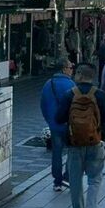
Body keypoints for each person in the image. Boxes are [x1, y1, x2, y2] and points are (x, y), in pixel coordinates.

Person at [54, 63, 105, 208]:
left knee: (75, 179)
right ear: (93, 77)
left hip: (74, 144)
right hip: (95, 142)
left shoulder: (69, 95)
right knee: (95, 179)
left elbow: (58, 118)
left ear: (79, 75)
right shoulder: (100, 95)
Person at [40, 57, 75, 192]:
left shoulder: (48, 84)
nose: (72, 70)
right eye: (70, 67)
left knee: (57, 152)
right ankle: (67, 177)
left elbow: (43, 104)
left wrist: (49, 119)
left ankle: (57, 181)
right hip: (69, 125)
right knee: (72, 151)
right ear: (64, 69)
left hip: (54, 124)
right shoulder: (71, 85)